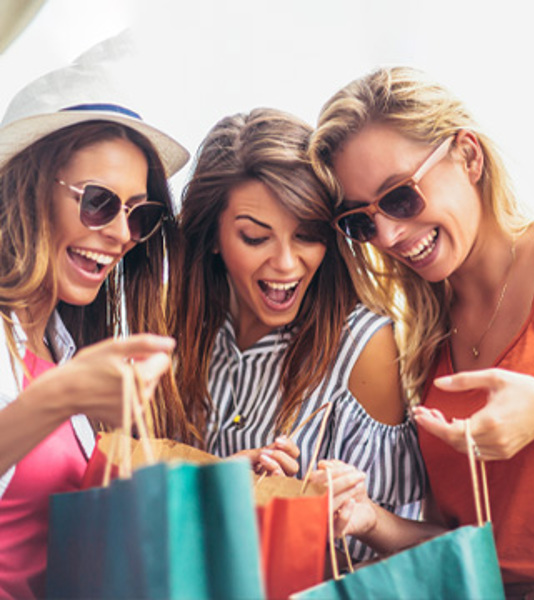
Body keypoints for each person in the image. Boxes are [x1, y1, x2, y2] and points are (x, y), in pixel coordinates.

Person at [307, 65, 534, 596]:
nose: (390, 235)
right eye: (362, 222)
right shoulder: (422, 346)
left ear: (468, 156)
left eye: (399, 197)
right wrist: (371, 520)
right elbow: (474, 550)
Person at [173, 107, 426, 561]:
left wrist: (345, 514)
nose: (287, 264)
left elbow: (407, 551)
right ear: (212, 236)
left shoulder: (363, 347)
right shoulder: (183, 335)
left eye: (307, 234)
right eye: (256, 237)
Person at [0, 40, 192, 599]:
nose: (121, 235)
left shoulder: (60, 346)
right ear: (26, 190)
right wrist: (59, 396)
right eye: (99, 201)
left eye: (142, 214)